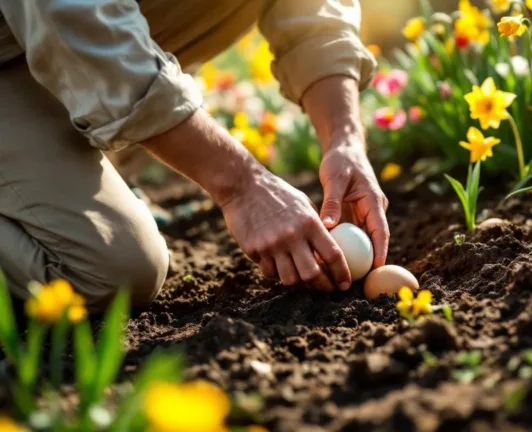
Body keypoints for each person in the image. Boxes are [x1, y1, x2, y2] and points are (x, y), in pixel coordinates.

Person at [0, 0, 389, 310]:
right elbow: (74, 14)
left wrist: (344, 138)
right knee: (110, 270)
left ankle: (73, 138)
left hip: (41, 35)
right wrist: (242, 185)